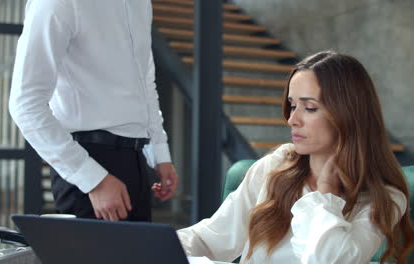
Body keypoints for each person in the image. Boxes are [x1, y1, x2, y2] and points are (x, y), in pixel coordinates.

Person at [164, 51, 414, 263]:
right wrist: (157, 249)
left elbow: (329, 259)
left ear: (348, 114)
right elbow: (211, 238)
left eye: (310, 107)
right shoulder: (276, 166)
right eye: (292, 105)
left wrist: (325, 193)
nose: (292, 119)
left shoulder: (385, 199)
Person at [9, 0, 178, 222]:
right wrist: (93, 179)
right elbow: (25, 103)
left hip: (136, 162)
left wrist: (159, 153)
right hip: (88, 164)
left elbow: (144, 82)